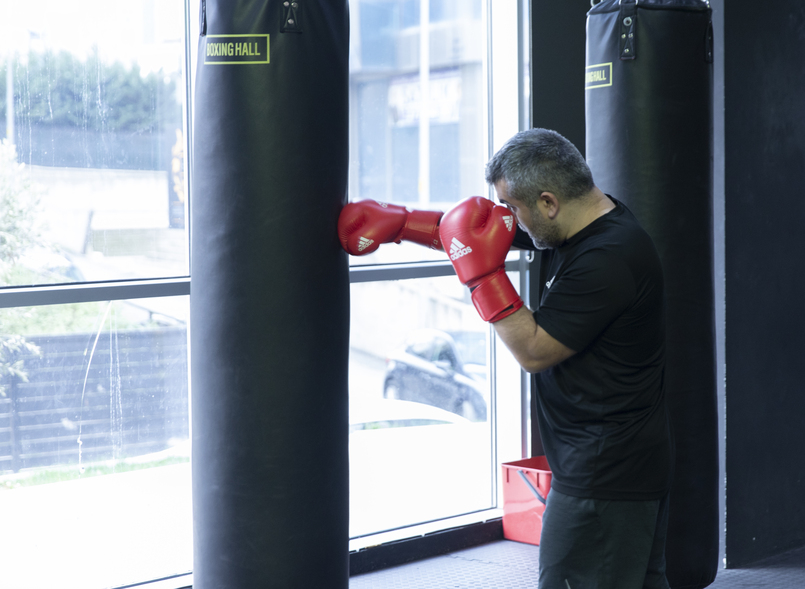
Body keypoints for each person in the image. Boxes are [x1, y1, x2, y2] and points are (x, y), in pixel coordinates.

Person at [338, 128, 673, 589]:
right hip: (616, 464)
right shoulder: (583, 219)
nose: (508, 219)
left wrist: (482, 277)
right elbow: (478, 233)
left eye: (514, 208)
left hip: (604, 477)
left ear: (549, 202)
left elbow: (534, 350)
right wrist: (401, 223)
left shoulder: (608, 258)